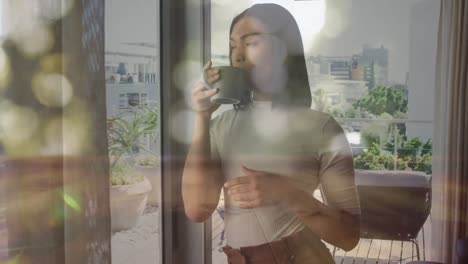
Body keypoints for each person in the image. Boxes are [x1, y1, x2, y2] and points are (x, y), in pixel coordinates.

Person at [182, 3, 360, 263]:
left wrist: (286, 192)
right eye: (233, 46)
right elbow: (197, 209)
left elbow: (349, 237)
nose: (238, 56)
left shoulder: (321, 128)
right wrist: (202, 117)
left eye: (251, 43)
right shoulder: (220, 126)